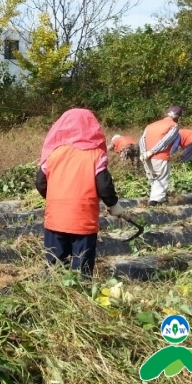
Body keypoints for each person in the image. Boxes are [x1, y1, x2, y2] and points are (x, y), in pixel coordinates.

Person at [35, 108, 126, 277]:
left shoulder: (54, 154)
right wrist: (114, 205)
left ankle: (54, 295)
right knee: (81, 266)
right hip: (82, 219)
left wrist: (55, 198)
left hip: (56, 218)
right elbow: (104, 185)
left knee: (54, 263)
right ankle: (79, 294)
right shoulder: (95, 155)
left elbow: (40, 182)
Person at [139, 106, 182, 206]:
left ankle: (155, 199)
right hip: (160, 157)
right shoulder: (174, 126)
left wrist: (143, 153)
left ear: (166, 114)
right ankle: (154, 203)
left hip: (146, 157)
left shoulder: (150, 125)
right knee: (161, 179)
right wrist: (152, 151)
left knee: (153, 179)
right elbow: (165, 141)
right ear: (178, 117)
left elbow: (142, 139)